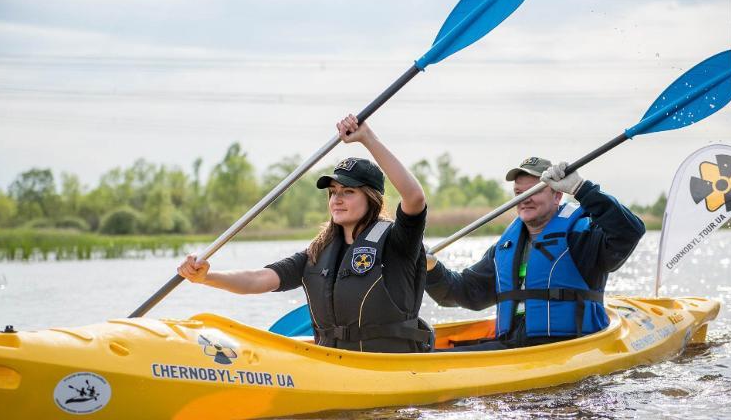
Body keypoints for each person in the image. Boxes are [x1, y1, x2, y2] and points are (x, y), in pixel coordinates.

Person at [178, 114, 431, 353]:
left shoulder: (398, 242)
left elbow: (414, 197)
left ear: (372, 198)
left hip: (390, 366)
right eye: (333, 192)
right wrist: (207, 277)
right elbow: (257, 280)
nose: (337, 200)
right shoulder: (318, 251)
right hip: (335, 365)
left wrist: (367, 138)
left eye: (348, 192)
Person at [425, 157, 645, 351]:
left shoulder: (582, 237)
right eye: (519, 193)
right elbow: (464, 292)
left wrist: (582, 188)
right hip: (514, 348)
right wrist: (431, 268)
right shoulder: (505, 247)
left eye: (534, 191)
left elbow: (629, 231)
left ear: (558, 195)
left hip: (568, 346)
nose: (525, 199)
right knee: (427, 353)